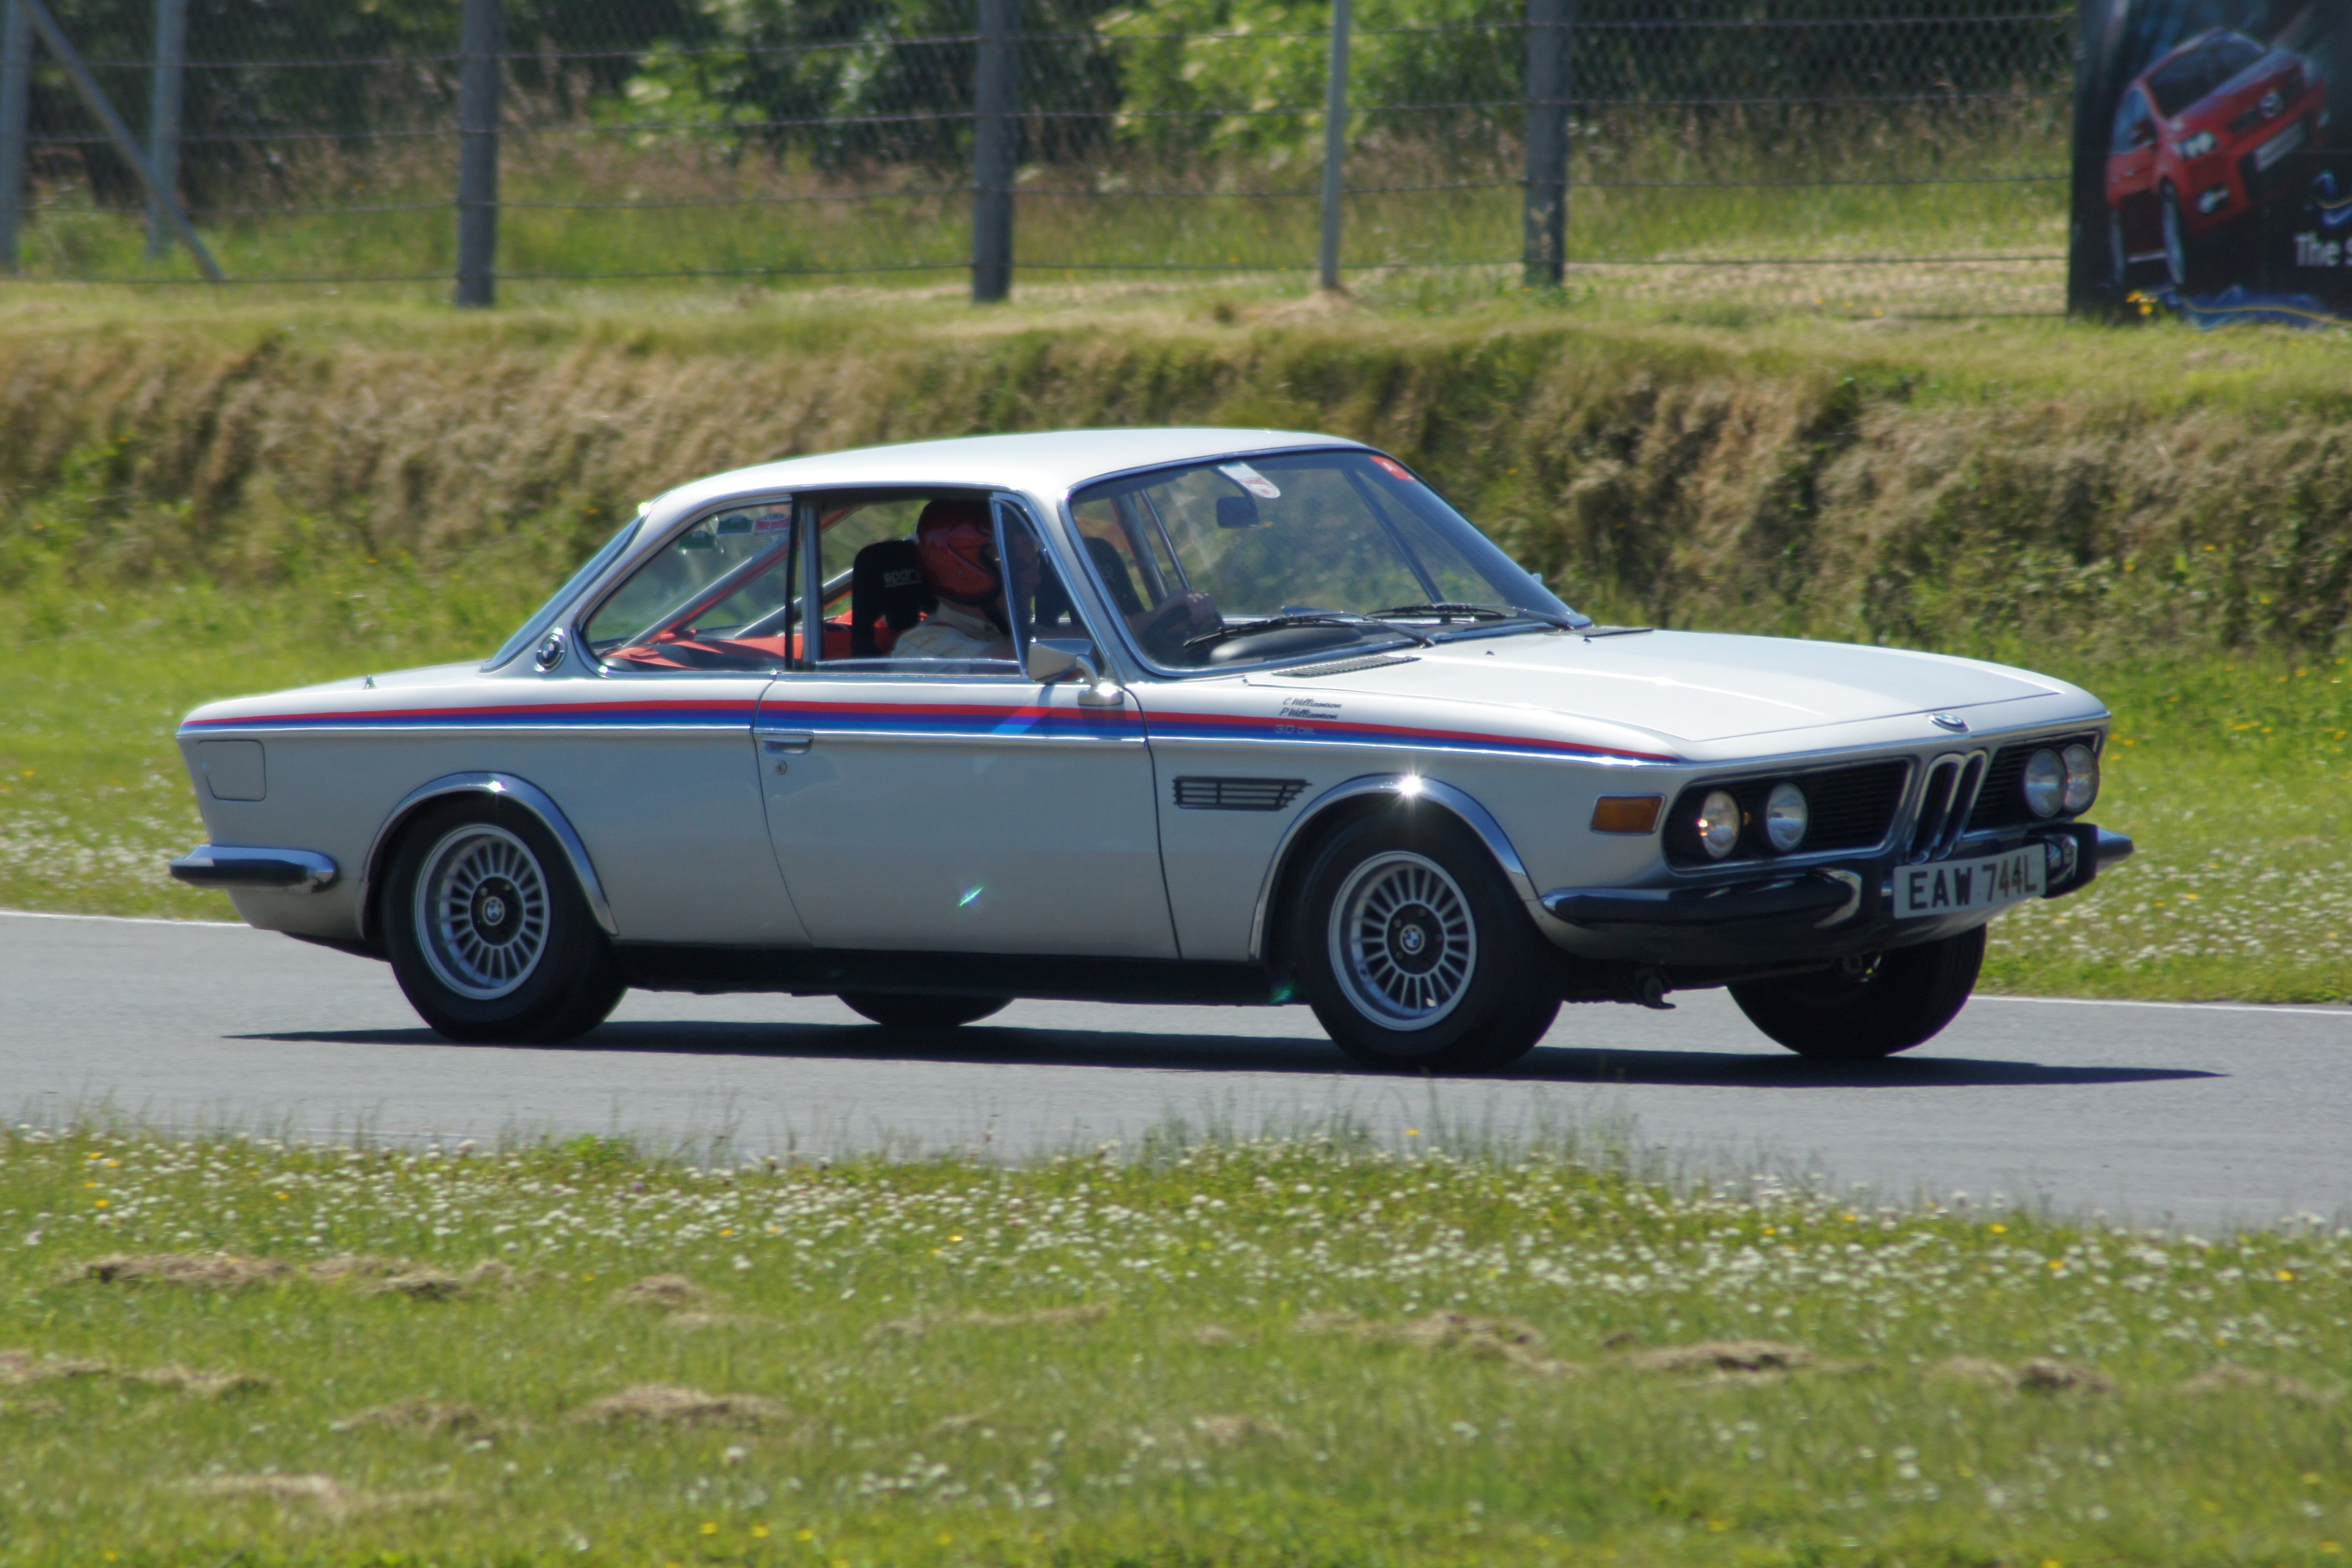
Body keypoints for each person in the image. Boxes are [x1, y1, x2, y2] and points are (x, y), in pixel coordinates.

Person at [894, 499, 1034, 662]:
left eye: (1035, 564)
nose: (1036, 579)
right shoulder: (921, 647)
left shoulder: (1009, 630)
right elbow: (1001, 663)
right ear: (966, 569)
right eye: (1019, 567)